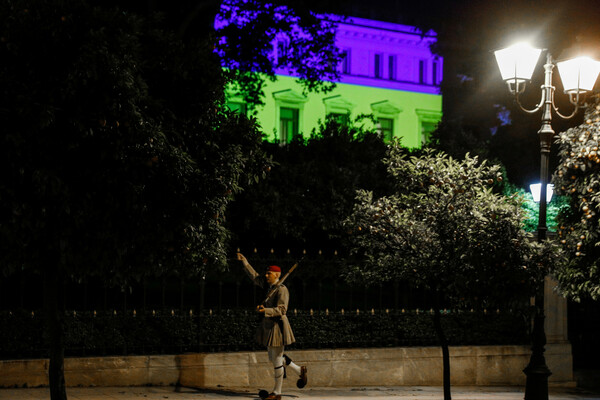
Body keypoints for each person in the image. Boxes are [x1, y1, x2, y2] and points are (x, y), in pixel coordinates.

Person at [236, 252, 307, 400]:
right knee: (274, 357)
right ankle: (299, 370)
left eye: (269, 274)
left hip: (278, 326)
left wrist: (265, 310)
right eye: (266, 273)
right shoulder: (269, 287)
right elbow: (255, 277)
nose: (266, 275)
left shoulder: (282, 289)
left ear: (276, 275)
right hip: (268, 326)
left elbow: (282, 310)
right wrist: (245, 262)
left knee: (276, 359)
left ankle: (277, 393)